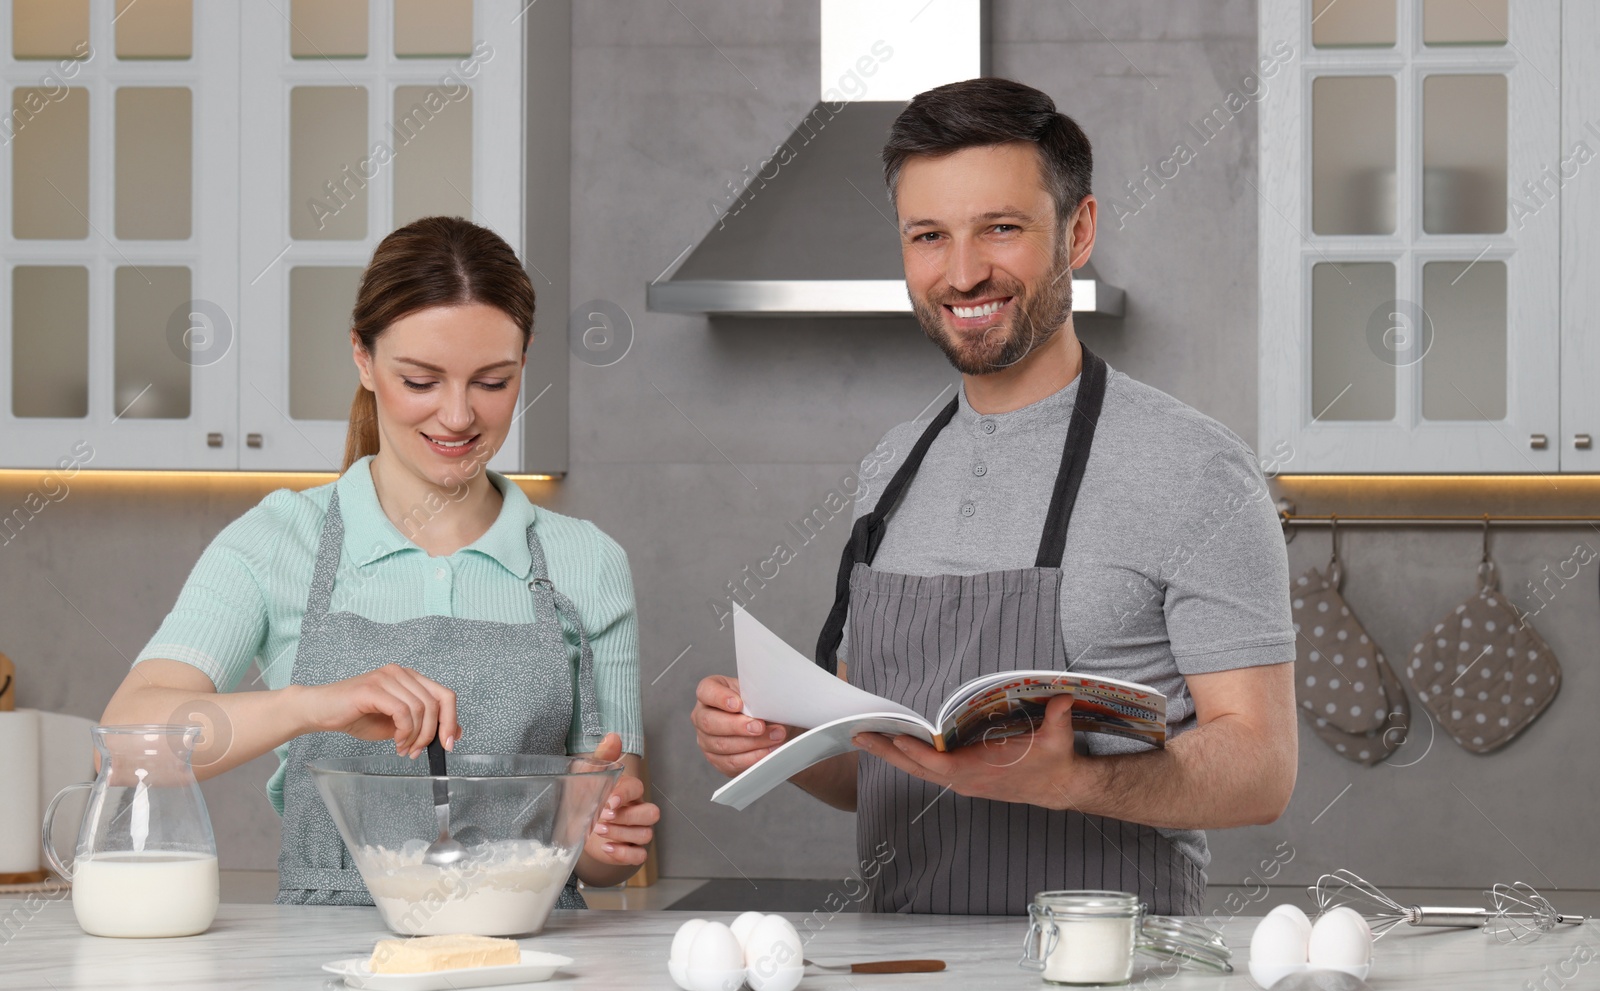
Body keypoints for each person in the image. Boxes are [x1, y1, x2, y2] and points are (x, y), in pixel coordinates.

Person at [690, 79, 1296, 916]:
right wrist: (783, 742)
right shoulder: (892, 468)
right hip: (906, 981)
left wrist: (1076, 781)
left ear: (1077, 232)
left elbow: (1262, 769)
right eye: (928, 236)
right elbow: (875, 772)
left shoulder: (1197, 470)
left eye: (1001, 228)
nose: (963, 271)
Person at [103, 216, 657, 906]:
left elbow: (611, 848)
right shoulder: (280, 539)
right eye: (421, 380)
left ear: (525, 361)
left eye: (492, 381)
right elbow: (128, 745)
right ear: (362, 358)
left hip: (525, 965)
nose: (458, 416)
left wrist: (603, 835)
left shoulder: (588, 563)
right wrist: (310, 706)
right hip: (322, 975)